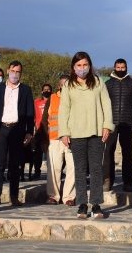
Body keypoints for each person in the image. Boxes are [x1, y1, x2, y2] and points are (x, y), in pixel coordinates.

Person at [58, 51, 114, 219]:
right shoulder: (68, 85)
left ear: (90, 66)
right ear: (74, 67)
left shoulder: (98, 83)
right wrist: (64, 133)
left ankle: (96, 204)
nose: (82, 68)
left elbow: (106, 104)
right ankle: (82, 204)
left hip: (97, 132)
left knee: (96, 169)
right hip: (76, 133)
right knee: (79, 170)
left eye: (85, 65)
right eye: (79, 65)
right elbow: (64, 110)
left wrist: (107, 126)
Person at [0, 61, 35, 206]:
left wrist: (29, 132)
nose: (15, 74)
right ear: (8, 71)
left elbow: (30, 113)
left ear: (21, 73)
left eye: (18, 72)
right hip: (1, 129)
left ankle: (14, 196)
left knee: (15, 164)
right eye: (13, 71)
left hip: (17, 130)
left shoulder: (26, 90)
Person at [104, 58, 132, 192]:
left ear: (126, 68)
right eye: (118, 67)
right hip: (111, 124)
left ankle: (128, 182)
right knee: (108, 153)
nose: (120, 70)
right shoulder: (108, 84)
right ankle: (107, 180)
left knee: (127, 154)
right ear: (114, 68)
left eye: (123, 67)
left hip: (127, 123)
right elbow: (103, 104)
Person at [45, 75, 76, 205]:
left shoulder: (76, 98)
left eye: (67, 84)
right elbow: (44, 120)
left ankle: (69, 197)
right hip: (54, 139)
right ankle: (53, 196)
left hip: (72, 139)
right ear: (58, 86)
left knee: (72, 168)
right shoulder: (52, 98)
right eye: (62, 84)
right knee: (54, 168)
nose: (64, 87)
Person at [27, 83, 52, 180]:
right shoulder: (36, 102)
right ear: (42, 91)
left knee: (51, 153)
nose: (46, 91)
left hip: (50, 131)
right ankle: (37, 171)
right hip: (39, 130)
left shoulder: (54, 101)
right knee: (37, 153)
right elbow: (32, 116)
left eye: (48, 89)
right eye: (45, 89)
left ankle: (54, 172)